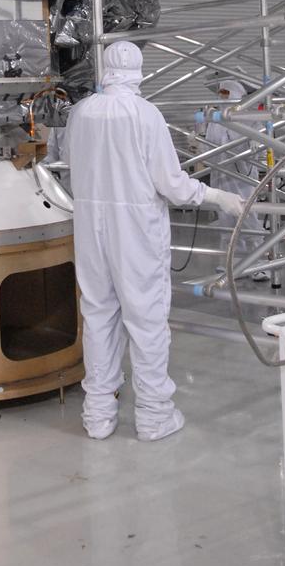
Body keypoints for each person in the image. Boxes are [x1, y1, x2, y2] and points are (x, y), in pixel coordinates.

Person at [60, 41, 244, 442]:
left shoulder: (82, 112)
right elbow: (172, 185)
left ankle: (98, 415)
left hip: (90, 225)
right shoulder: (146, 115)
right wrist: (215, 196)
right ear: (140, 69)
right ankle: (154, 415)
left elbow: (70, 163)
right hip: (136, 228)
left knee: (98, 315)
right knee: (145, 319)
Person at [202, 79, 267, 280]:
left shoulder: (248, 118)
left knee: (247, 220)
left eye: (225, 92)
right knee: (226, 222)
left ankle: (260, 264)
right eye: (220, 92)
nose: (221, 96)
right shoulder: (215, 119)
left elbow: (255, 145)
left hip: (242, 179)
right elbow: (209, 146)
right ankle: (234, 264)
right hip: (221, 176)